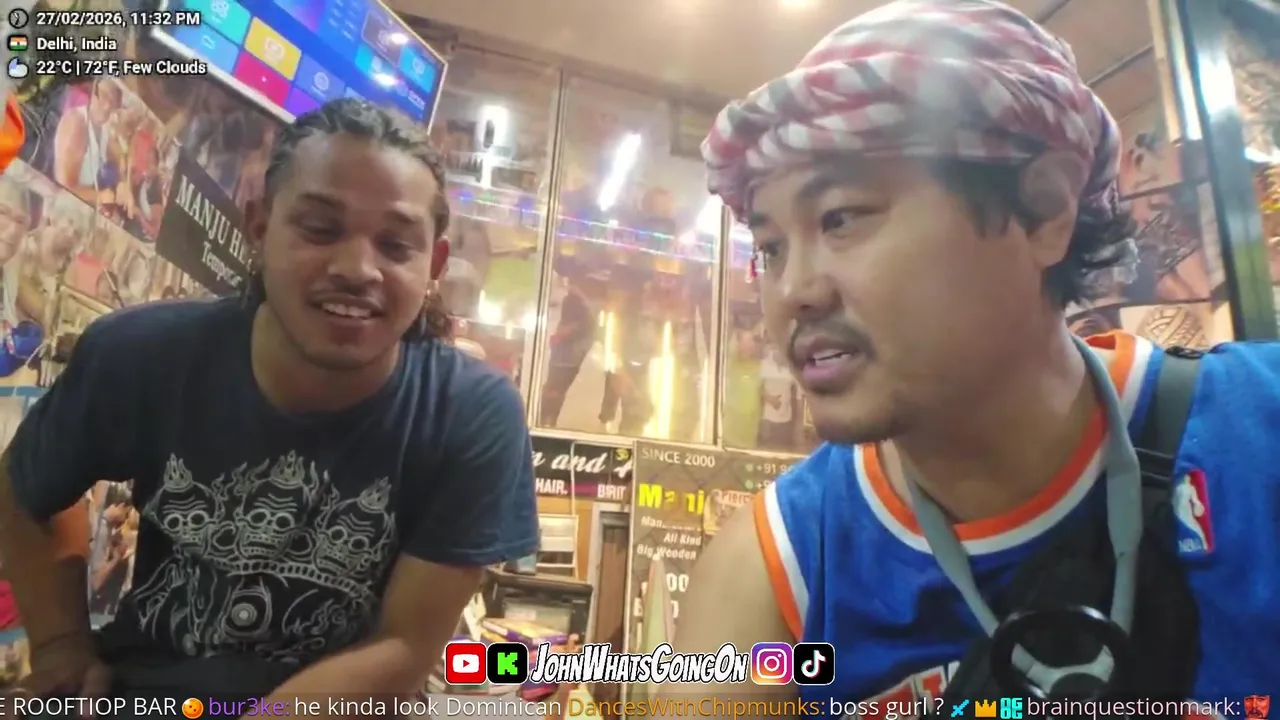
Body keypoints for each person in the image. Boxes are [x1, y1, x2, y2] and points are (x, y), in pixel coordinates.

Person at [670, 0, 1278, 714]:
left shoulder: (1256, 440)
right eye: (771, 247)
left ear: (1045, 209)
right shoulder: (776, 577)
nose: (793, 292)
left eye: (841, 217)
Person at [0, 98, 540, 706]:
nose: (357, 268)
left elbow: (405, 644)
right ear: (259, 227)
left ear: (433, 263)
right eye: (320, 229)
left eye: (395, 244)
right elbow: (26, 485)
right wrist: (60, 645)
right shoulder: (142, 353)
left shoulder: (470, 415)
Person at [52, 78, 123, 204]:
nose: (107, 106)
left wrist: (123, 182)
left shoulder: (104, 126)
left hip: (89, 197)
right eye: (104, 96)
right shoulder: (77, 123)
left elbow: (117, 155)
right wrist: (100, 196)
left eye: (113, 101)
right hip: (65, 205)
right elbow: (64, 188)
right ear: (93, 92)